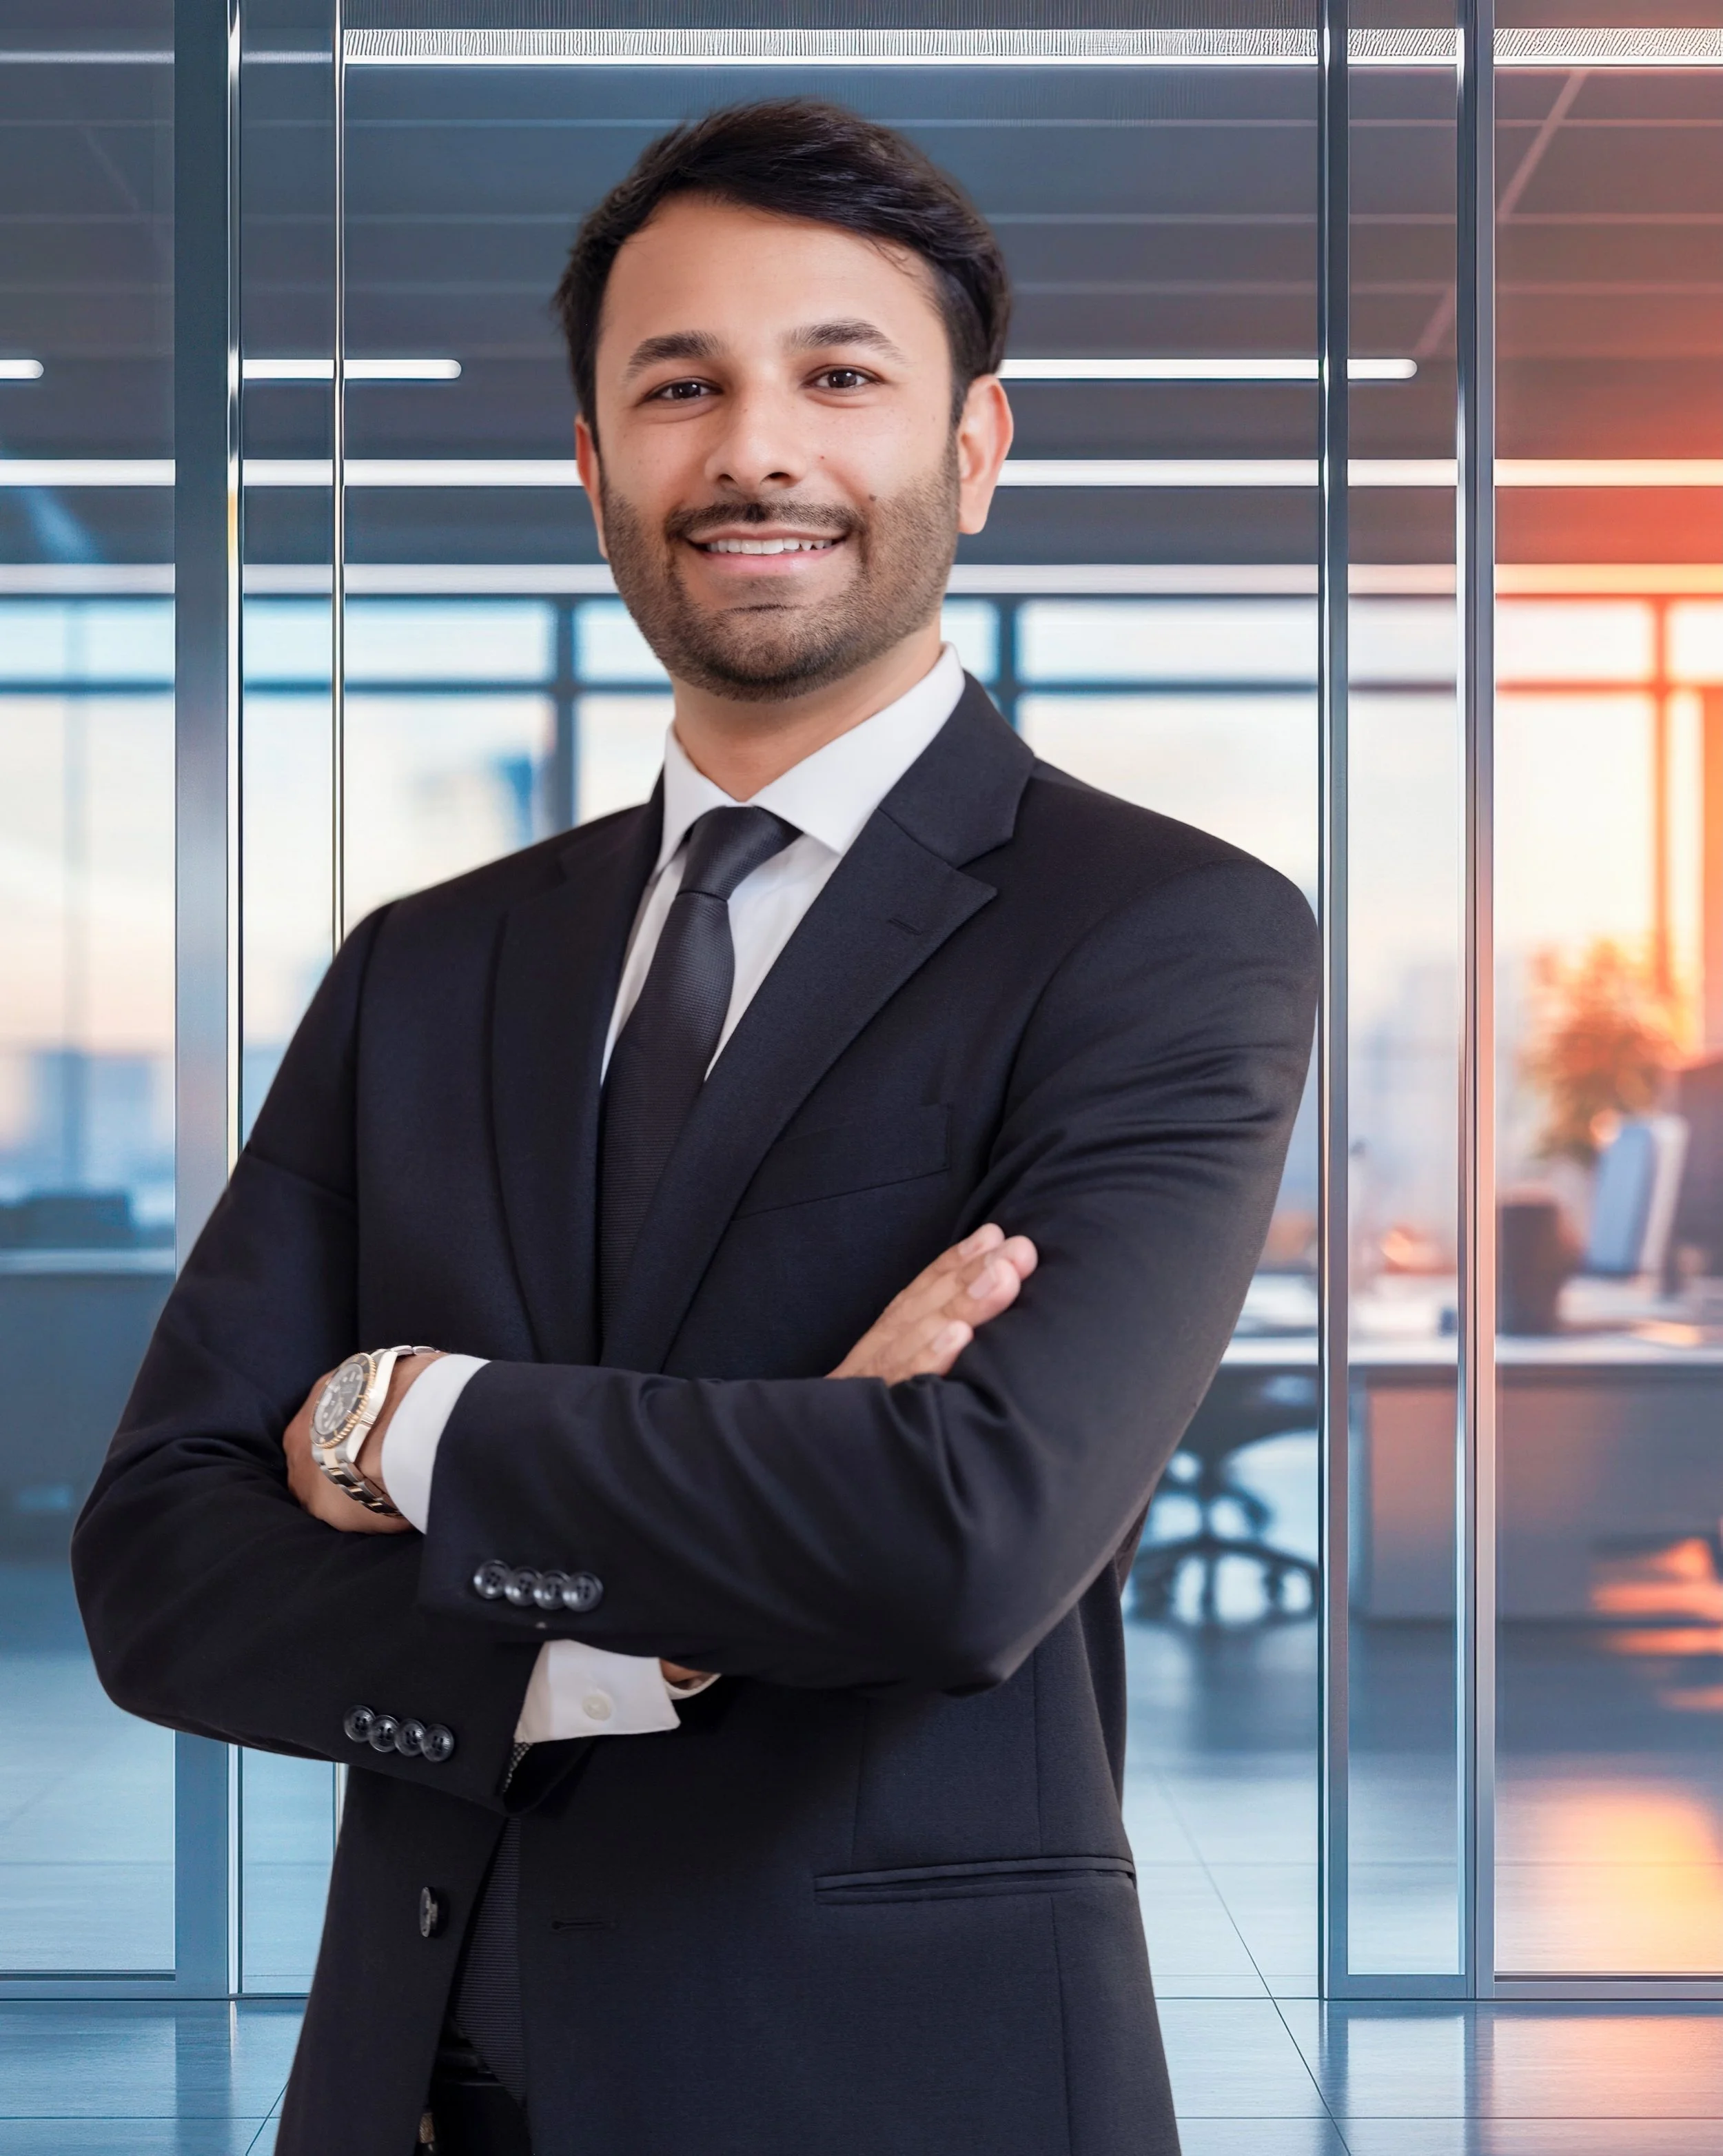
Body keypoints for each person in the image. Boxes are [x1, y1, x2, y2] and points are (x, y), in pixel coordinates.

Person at [73, 98, 1317, 2156]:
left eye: (840, 376)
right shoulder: (427, 964)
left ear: (973, 448)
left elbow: (962, 1541)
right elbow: (158, 1564)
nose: (756, 450)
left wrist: (406, 1424)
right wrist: (609, 1652)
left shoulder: (1159, 936)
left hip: (888, 2087)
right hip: (412, 2089)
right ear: (593, 464)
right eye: (680, 386)